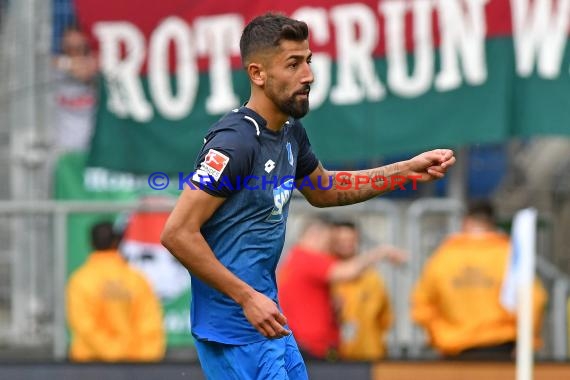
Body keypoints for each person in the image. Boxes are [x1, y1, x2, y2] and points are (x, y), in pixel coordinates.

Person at [160, 12, 455, 379]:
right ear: (258, 74)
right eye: (294, 64)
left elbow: (325, 189)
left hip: (269, 323)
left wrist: (405, 169)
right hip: (234, 330)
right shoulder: (236, 142)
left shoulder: (289, 132)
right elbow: (177, 233)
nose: (309, 75)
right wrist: (246, 297)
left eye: (309, 61)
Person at [411, 200, 547, 359]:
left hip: (454, 349)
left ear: (465, 222)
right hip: (502, 348)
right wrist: (527, 341)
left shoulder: (443, 257)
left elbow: (422, 305)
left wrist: (440, 335)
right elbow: (533, 301)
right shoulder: (509, 255)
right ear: (492, 223)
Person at [277, 217, 404, 361]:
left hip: (310, 344)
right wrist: (382, 252)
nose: (330, 249)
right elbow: (347, 271)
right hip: (312, 346)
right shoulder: (307, 258)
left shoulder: (294, 259)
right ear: (316, 235)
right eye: (330, 242)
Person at [66, 221, 166, 362]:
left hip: (88, 365)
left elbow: (83, 324)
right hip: (134, 365)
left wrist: (111, 351)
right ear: (117, 242)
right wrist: (147, 361)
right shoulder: (136, 279)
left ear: (91, 243)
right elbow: (150, 323)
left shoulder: (80, 279)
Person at [330, 220, 403, 361]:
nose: (345, 245)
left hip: (369, 354)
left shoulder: (371, 278)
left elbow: (385, 318)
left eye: (350, 239)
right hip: (334, 357)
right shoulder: (326, 276)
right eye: (340, 240)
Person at [52, 25, 98, 153]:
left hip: (94, 149)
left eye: (79, 48)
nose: (74, 52)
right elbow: (43, 62)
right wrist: (69, 64)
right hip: (64, 149)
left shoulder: (96, 67)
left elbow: (87, 72)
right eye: (69, 48)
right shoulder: (56, 69)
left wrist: (80, 67)